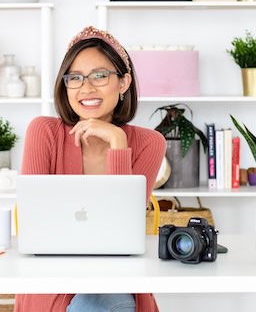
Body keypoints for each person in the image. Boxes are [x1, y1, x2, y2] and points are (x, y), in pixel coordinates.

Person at [14, 26, 166, 312]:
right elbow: (35, 228)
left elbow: (125, 234)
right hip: (51, 282)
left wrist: (118, 144)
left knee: (99, 304)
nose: (86, 88)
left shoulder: (149, 143)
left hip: (115, 282)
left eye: (99, 75)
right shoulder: (43, 131)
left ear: (124, 83)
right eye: (75, 78)